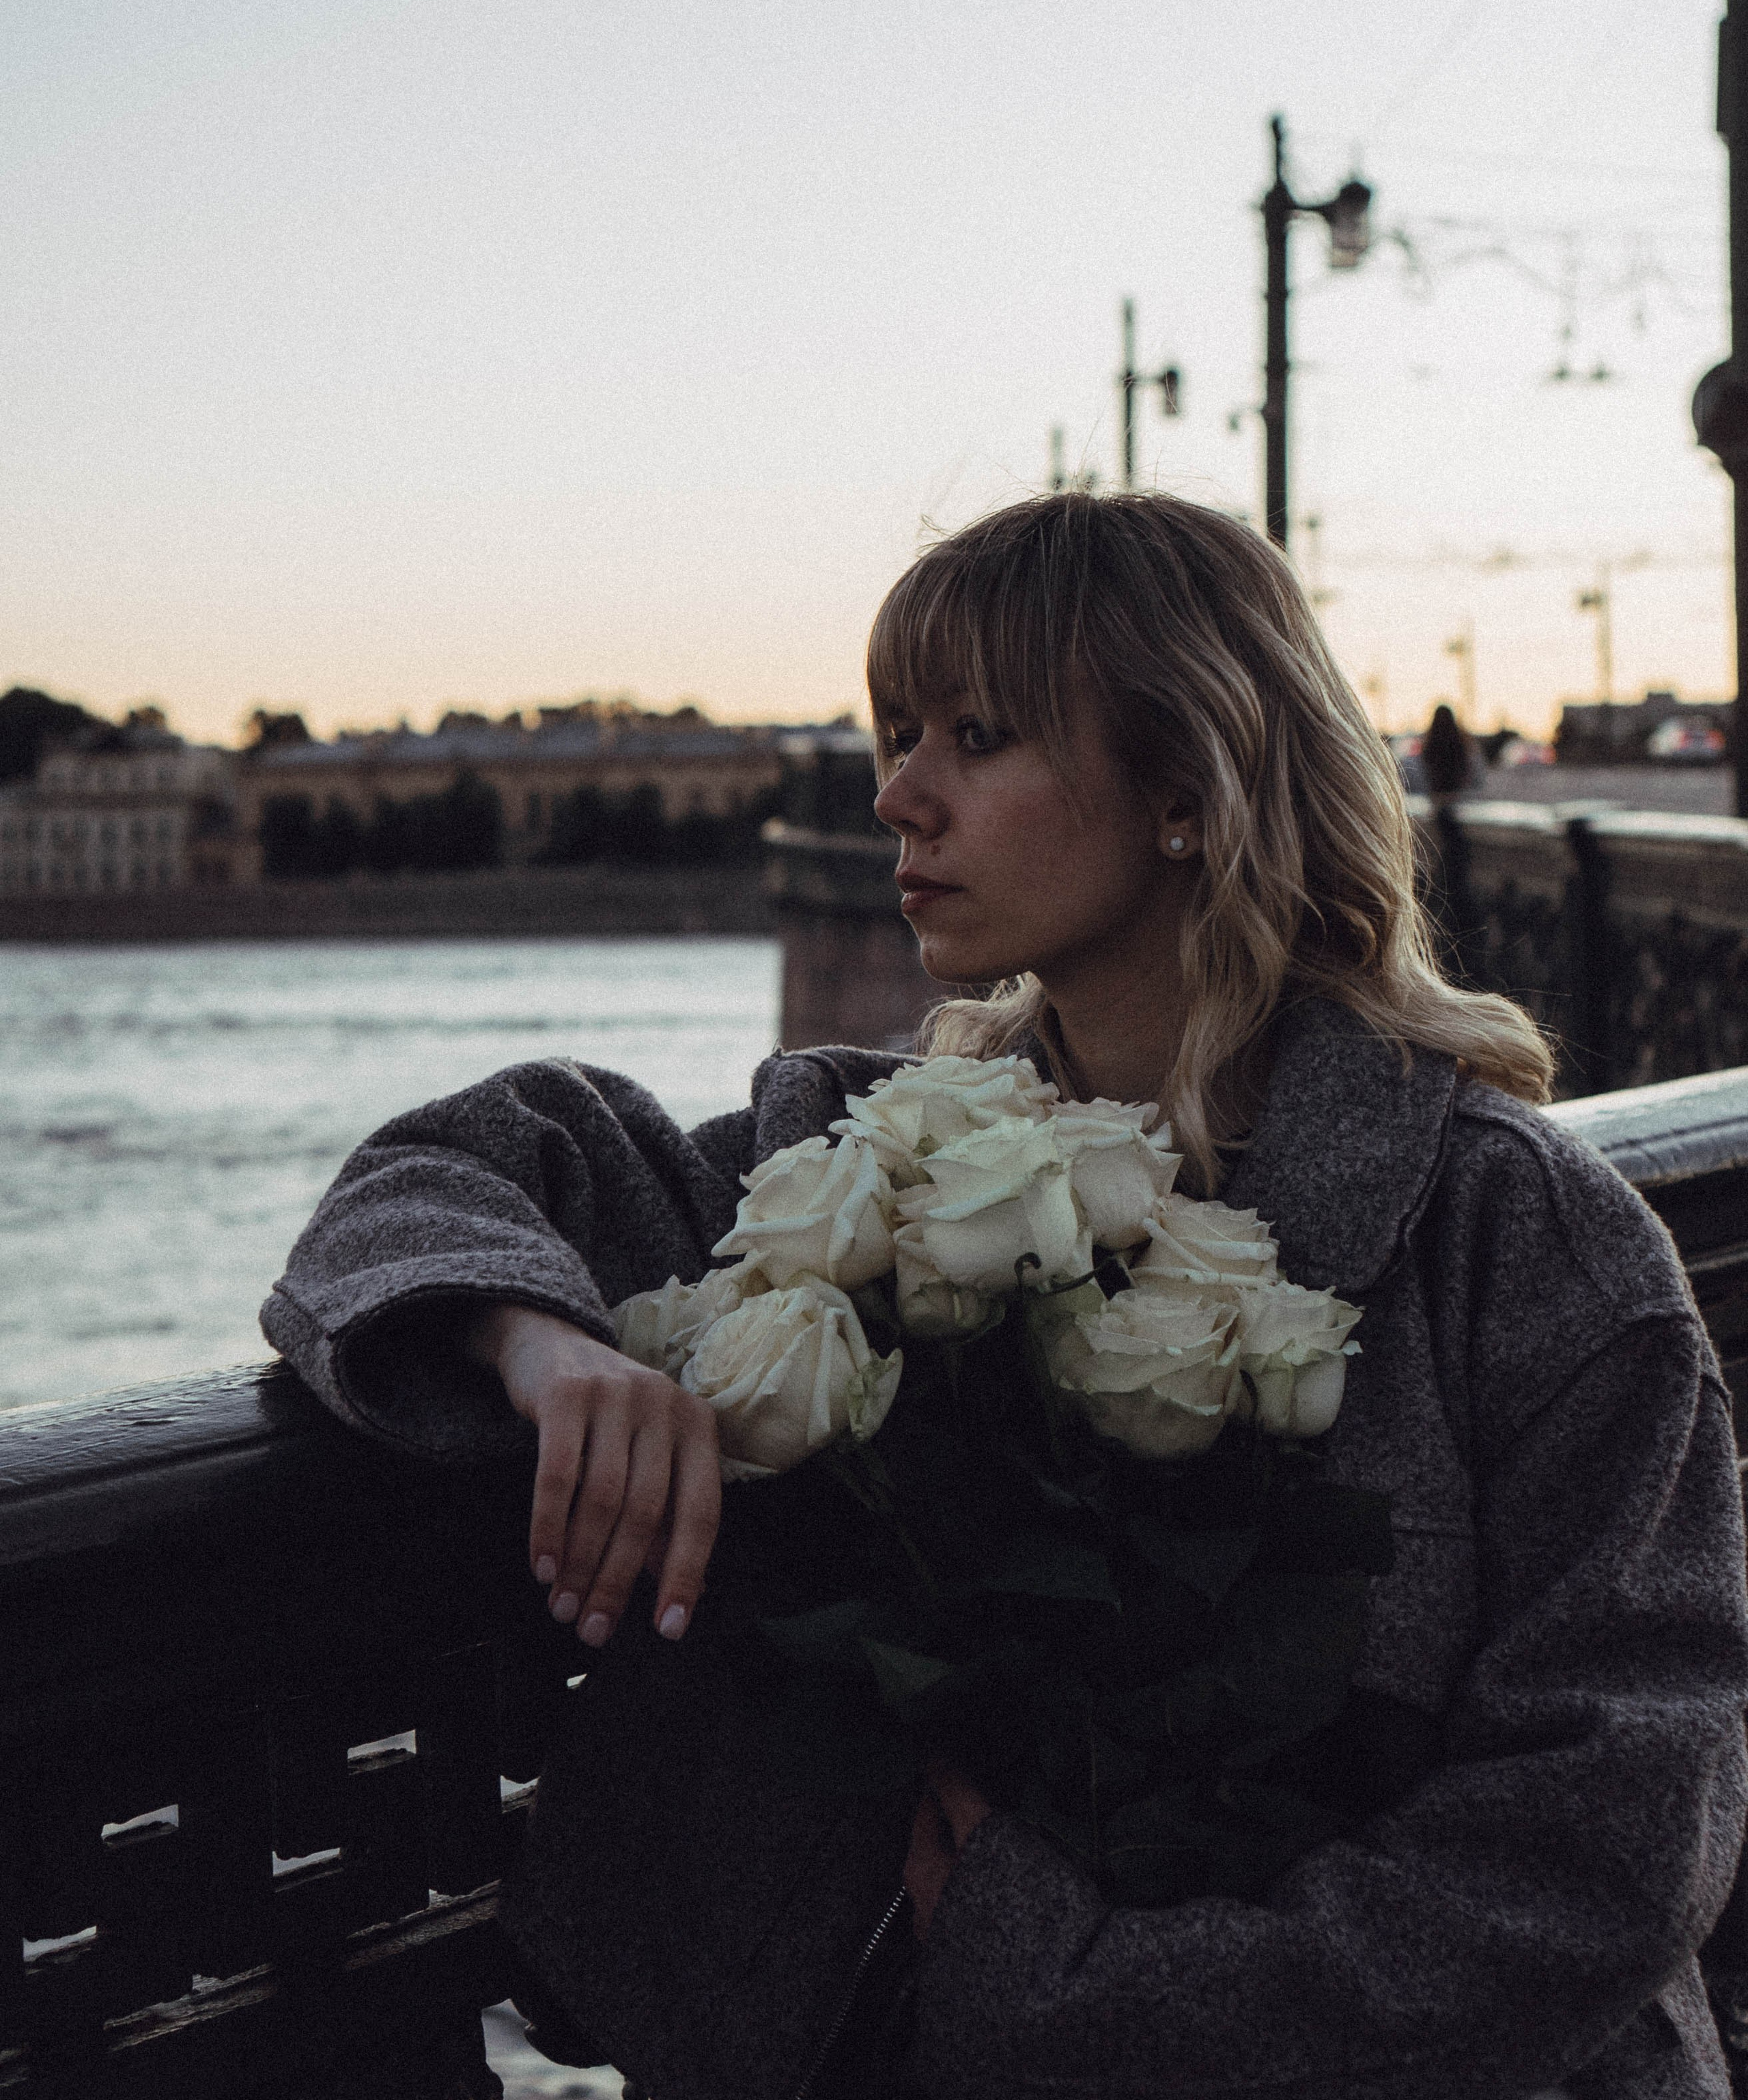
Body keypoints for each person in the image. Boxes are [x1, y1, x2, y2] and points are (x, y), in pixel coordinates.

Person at [263, 491, 1748, 2100]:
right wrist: (539, 1345)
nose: (897, 795)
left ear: (1187, 787)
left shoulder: (1517, 1240)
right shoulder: (850, 1157)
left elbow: (1611, 1840)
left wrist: (1071, 1989)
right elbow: (439, 1176)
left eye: (976, 736)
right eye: (896, 732)